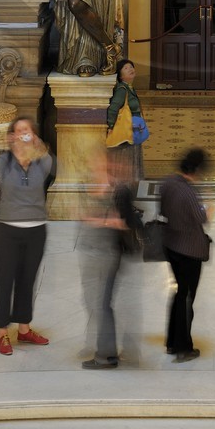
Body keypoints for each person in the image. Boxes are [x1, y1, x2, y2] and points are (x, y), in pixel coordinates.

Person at [0, 117, 53, 356]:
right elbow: (5, 182)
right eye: (19, 130)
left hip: (36, 229)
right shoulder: (3, 162)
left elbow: (51, 167)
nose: (23, 134)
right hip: (8, 230)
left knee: (28, 280)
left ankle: (24, 329)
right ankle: (2, 333)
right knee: (6, 280)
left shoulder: (42, 161)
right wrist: (15, 150)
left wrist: (37, 147)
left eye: (27, 130)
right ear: (12, 135)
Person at [80, 149, 142, 369]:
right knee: (99, 303)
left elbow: (126, 222)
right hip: (95, 253)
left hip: (108, 255)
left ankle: (106, 355)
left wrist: (101, 221)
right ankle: (112, 350)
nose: (94, 166)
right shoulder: (94, 187)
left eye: (98, 162)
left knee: (103, 305)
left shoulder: (117, 190)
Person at [158, 147, 212, 362]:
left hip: (171, 245)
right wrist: (209, 208)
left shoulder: (168, 183)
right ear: (196, 170)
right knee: (186, 297)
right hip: (189, 250)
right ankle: (183, 348)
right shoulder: (188, 192)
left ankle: (172, 342)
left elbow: (163, 211)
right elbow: (202, 218)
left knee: (180, 293)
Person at [105, 58, 146, 183]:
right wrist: (110, 126)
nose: (130, 69)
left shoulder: (130, 88)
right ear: (120, 75)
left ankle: (131, 185)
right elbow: (114, 108)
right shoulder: (122, 89)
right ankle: (124, 186)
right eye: (126, 68)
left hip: (133, 131)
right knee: (125, 162)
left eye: (131, 67)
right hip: (126, 133)